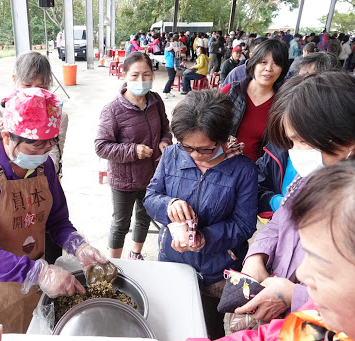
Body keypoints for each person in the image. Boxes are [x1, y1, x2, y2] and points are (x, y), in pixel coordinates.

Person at [0, 88, 107, 337]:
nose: (44, 154)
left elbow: (57, 220)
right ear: (6, 137)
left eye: (50, 144)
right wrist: (40, 271)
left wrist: (78, 246)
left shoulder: (44, 166)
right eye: (35, 147)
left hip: (30, 283)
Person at [235, 71, 355, 328]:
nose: (294, 153)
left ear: (347, 143)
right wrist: (257, 256)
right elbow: (280, 221)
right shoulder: (310, 176)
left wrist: (295, 295)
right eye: (290, 142)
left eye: (301, 141)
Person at [143, 90, 258, 339]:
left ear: (221, 138)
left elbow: (244, 224)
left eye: (204, 149)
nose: (195, 155)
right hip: (173, 261)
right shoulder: (172, 155)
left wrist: (206, 238)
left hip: (217, 269)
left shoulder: (243, 170)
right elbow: (150, 197)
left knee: (207, 327)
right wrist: (168, 204)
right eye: (188, 147)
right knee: (170, 324)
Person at [201, 161, 355, 341]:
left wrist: (295, 295)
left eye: (321, 263)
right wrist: (256, 257)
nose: (302, 273)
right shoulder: (319, 320)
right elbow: (279, 335)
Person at [0, 52, 68, 265]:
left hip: (34, 197)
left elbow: (49, 160)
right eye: (27, 86)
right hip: (1, 199)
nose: (35, 93)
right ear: (14, 80)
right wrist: (7, 138)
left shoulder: (57, 115)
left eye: (42, 86)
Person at [95, 52, 172, 260]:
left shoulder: (156, 101)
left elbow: (166, 128)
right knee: (121, 223)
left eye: (146, 75)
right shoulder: (112, 110)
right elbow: (101, 146)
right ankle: (114, 262)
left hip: (152, 176)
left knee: (144, 218)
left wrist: (165, 142)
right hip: (124, 180)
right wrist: (133, 151)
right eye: (135, 75)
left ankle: (135, 254)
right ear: (125, 75)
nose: (141, 80)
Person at [256, 54, 341, 221]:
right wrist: (276, 202)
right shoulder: (282, 141)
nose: (303, 90)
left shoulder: (342, 155)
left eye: (314, 84)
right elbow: (257, 181)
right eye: (300, 80)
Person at [220, 39, 289, 162]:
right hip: (222, 164)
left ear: (283, 69)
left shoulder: (282, 104)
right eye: (263, 62)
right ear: (254, 63)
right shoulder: (230, 92)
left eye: (276, 63)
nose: (268, 68)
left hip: (256, 173)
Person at [162, 35, 179, 99]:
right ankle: (165, 92)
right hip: (170, 65)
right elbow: (173, 57)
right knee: (170, 79)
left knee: (172, 79)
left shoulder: (171, 48)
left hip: (172, 65)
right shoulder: (168, 47)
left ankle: (168, 91)